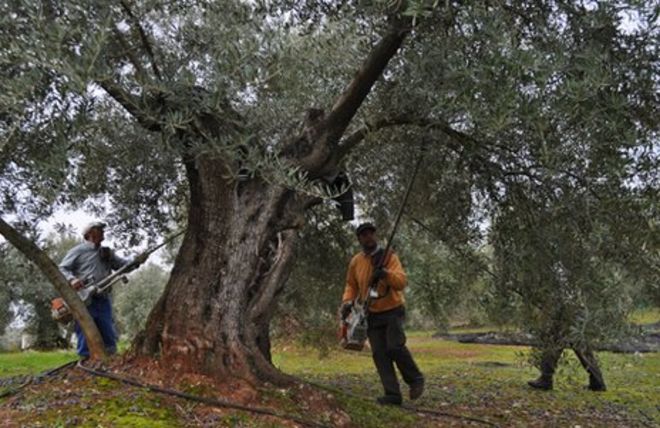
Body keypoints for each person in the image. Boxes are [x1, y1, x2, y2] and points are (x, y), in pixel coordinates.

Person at [340, 222, 424, 405]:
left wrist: (385, 274)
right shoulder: (356, 262)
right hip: (370, 314)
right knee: (379, 354)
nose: (368, 237)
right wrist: (347, 301)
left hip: (393, 310)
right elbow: (351, 285)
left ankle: (416, 380)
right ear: (359, 239)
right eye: (364, 234)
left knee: (394, 347)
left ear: (375, 235)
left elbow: (401, 282)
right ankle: (393, 395)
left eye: (371, 233)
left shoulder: (388, 256)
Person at [59, 221, 148, 358]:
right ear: (89, 234)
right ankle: (85, 359)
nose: (102, 233)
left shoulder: (106, 253)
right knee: (84, 330)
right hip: (84, 298)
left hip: (103, 297)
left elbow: (123, 266)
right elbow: (62, 268)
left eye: (102, 230)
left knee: (107, 328)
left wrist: (137, 261)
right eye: (99, 230)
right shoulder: (78, 251)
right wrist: (72, 280)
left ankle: (110, 357)